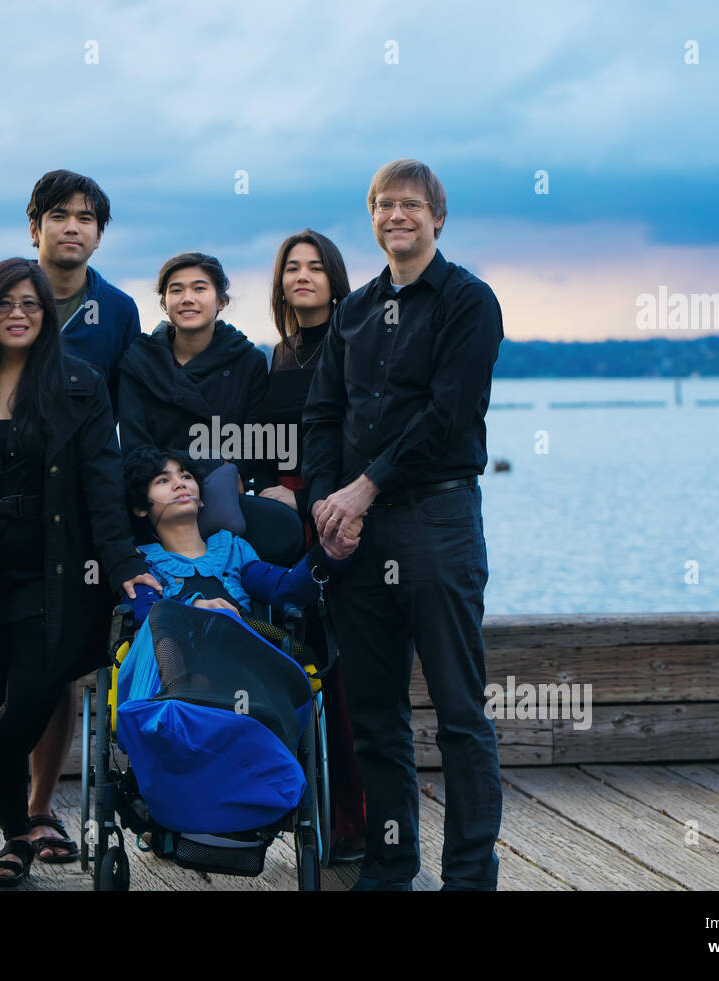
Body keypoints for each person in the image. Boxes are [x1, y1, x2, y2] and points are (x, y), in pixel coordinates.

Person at [0, 257, 161, 886]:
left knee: (38, 693)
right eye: (4, 303)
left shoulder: (79, 384)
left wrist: (124, 563)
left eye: (30, 304)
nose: (18, 314)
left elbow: (102, 480)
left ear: (47, 316)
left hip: (58, 571)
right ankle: (14, 840)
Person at [303, 159, 505, 891]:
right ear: (373, 217)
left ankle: (468, 878)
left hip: (437, 521)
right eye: (384, 205)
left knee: (459, 713)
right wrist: (327, 506)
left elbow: (446, 417)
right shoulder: (353, 312)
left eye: (411, 205)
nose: (397, 216)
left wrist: (364, 487)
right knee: (376, 718)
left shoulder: (468, 302)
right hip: (356, 536)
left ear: (437, 217)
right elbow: (322, 415)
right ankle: (390, 867)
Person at [0, 170, 142, 864]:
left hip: (73, 528)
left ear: (99, 233)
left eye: (87, 217)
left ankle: (36, 809)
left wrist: (125, 532)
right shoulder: (1, 289)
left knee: (58, 670)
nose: (73, 227)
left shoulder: (118, 311)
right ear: (33, 226)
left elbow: (123, 422)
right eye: (58, 215)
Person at [251, 230, 366, 863]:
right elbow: (271, 441)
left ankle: (355, 823)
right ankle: (307, 814)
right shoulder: (281, 353)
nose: (303, 277)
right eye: (292, 268)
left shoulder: (353, 341)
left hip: (333, 515)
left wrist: (303, 491)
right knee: (296, 666)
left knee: (344, 672)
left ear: (335, 277)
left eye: (316, 267)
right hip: (281, 529)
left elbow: (350, 436)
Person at [121, 446, 355, 629]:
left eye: (186, 476)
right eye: (163, 480)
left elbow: (287, 589)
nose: (179, 484)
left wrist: (328, 552)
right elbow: (142, 613)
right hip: (171, 678)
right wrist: (194, 607)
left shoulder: (233, 549)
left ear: (201, 499)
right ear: (141, 507)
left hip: (240, 670)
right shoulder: (140, 562)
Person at [116, 252, 267, 490]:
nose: (187, 299)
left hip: (224, 495)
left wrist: (226, 473)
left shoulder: (249, 362)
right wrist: (210, 463)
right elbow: (134, 448)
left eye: (199, 289)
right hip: (156, 495)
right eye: (176, 290)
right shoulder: (139, 361)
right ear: (165, 303)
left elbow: (253, 445)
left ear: (221, 301)